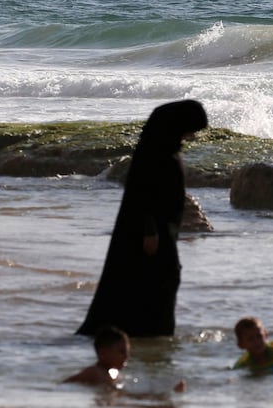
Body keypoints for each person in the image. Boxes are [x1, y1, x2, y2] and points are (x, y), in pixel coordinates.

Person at [76, 100, 209, 338]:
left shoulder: (164, 148)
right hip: (151, 233)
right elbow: (143, 195)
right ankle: (153, 336)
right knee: (159, 280)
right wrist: (149, 231)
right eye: (191, 128)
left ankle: (147, 332)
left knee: (153, 280)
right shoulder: (155, 155)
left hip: (162, 230)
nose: (192, 135)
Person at [64, 325, 131, 386]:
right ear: (103, 353)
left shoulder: (115, 374)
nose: (126, 356)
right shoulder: (95, 372)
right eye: (122, 352)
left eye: (127, 352)